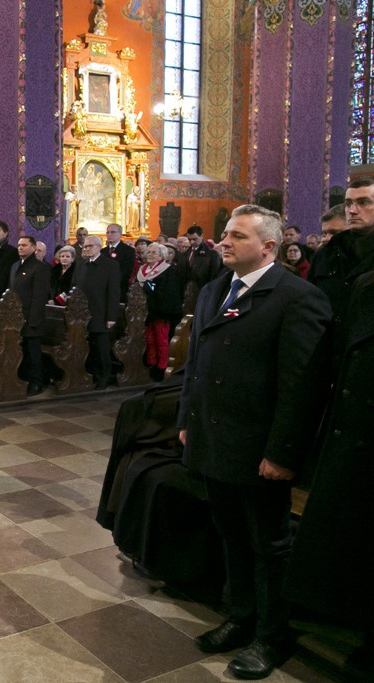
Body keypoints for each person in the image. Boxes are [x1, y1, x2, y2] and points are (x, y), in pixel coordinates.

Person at [177, 205, 331, 680]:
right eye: (224, 234)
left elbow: (301, 386)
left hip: (258, 445)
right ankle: (240, 617)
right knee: (231, 534)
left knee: (268, 545)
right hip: (214, 436)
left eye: (236, 236)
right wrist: (188, 419)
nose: (224, 242)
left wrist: (282, 454)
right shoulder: (212, 291)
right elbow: (196, 366)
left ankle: (272, 633)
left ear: (268, 247)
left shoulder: (296, 297)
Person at [286, 179, 374, 674]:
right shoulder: (333, 256)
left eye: (365, 202)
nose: (354, 210)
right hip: (336, 385)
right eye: (350, 203)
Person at [72, 236, 120, 389]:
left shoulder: (110, 265)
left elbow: (113, 292)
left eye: (89, 246)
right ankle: (91, 375)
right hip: (82, 314)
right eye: (84, 247)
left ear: (99, 247)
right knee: (89, 347)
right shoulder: (80, 265)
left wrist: (111, 316)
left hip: (100, 312)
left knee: (101, 347)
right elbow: (75, 287)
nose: (86, 249)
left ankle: (104, 376)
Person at [10, 235, 51, 395]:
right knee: (22, 351)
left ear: (33, 248)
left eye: (24, 245)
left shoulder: (39, 268)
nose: (20, 247)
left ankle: (36, 382)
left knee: (33, 352)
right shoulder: (15, 266)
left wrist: (32, 320)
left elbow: (39, 297)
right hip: (16, 317)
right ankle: (23, 379)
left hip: (31, 318)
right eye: (19, 245)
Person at [136, 242, 181, 380]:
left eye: (154, 252)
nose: (150, 254)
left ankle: (161, 368)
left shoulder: (167, 270)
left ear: (161, 256)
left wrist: (151, 289)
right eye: (149, 252)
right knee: (149, 340)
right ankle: (151, 364)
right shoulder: (142, 269)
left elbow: (168, 292)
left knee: (161, 341)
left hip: (161, 311)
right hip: (144, 312)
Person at [104, 223, 137, 300]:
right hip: (103, 289)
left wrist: (111, 282)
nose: (109, 234)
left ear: (120, 234)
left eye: (113, 232)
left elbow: (127, 271)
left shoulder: (129, 251)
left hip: (119, 288)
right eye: (108, 232)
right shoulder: (102, 251)